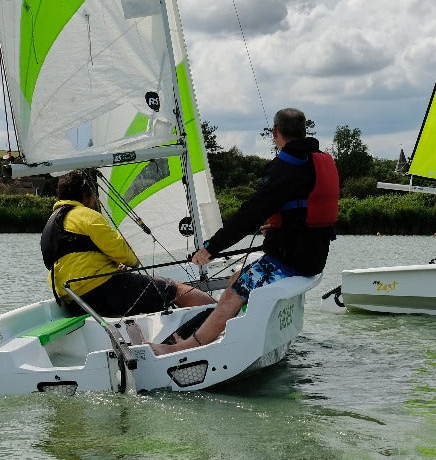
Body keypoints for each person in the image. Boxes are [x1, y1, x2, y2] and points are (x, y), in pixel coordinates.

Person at [150, 107, 339, 355]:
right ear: (304, 131)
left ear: (275, 132)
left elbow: (249, 215)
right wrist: (280, 227)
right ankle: (227, 328)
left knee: (233, 292)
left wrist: (210, 248)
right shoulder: (316, 161)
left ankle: (184, 347)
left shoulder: (287, 167)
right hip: (313, 256)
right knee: (237, 278)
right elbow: (308, 211)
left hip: (293, 261)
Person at [41, 169, 215, 317]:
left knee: (140, 294)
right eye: (93, 195)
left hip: (73, 299)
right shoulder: (85, 215)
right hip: (101, 291)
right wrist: (132, 263)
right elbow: (123, 253)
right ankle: (224, 315)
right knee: (174, 289)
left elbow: (78, 256)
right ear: (86, 195)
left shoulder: (52, 222)